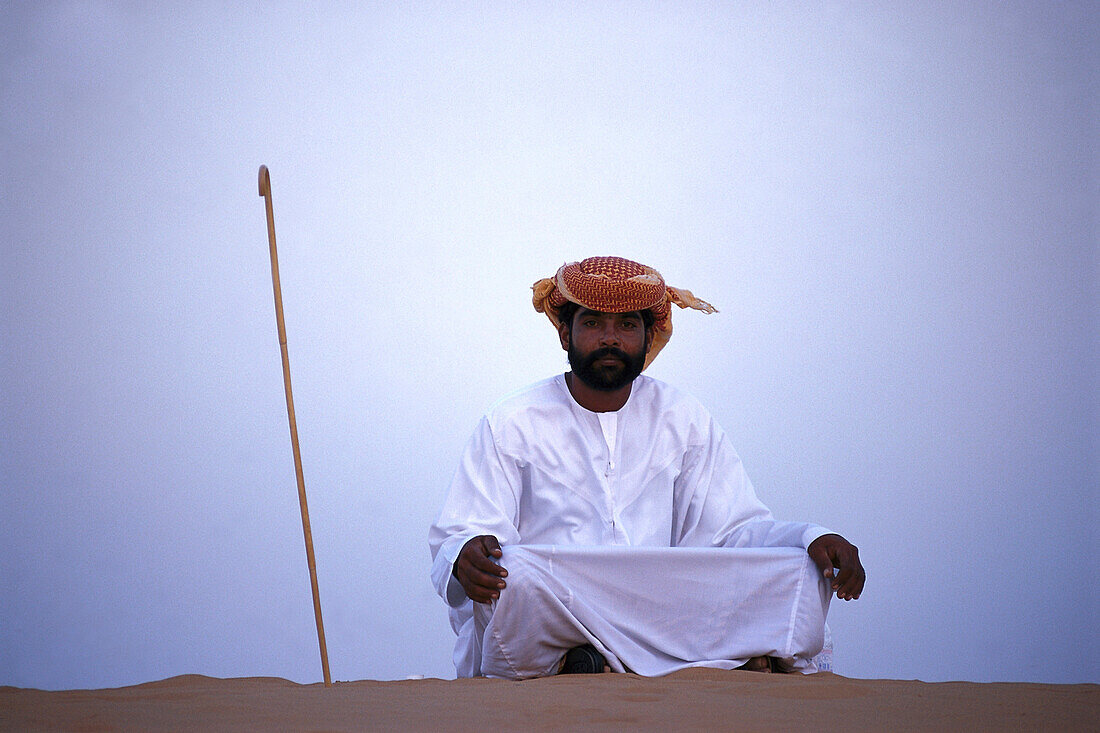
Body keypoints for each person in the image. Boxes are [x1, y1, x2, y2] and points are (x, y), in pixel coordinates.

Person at [429, 256, 865, 679]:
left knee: (796, 569)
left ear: (648, 335)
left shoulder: (683, 417)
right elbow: (467, 530)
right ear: (565, 333)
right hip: (559, 601)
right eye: (593, 322)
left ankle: (593, 662)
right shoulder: (513, 420)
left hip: (660, 603)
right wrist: (465, 553)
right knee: (516, 575)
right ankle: (715, 660)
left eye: (627, 325)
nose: (610, 338)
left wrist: (812, 537)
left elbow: (734, 532)